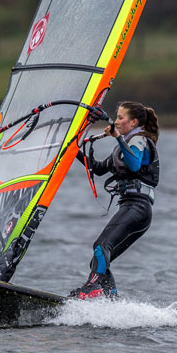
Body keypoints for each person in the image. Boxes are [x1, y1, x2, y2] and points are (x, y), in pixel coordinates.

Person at [71, 101, 160, 299]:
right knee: (100, 258)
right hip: (135, 209)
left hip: (138, 207)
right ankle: (112, 300)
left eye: (121, 118)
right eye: (117, 117)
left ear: (133, 121)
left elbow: (135, 165)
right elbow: (98, 168)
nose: (117, 121)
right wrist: (72, 151)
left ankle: (91, 289)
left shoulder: (138, 140)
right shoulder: (124, 147)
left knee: (101, 247)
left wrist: (118, 138)